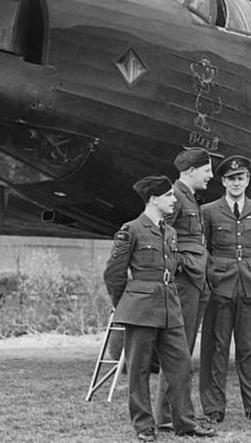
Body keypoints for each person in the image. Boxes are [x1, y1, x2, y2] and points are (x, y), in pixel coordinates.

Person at [103, 176, 215, 440]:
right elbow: (113, 274)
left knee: (181, 365)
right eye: (169, 196)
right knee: (139, 369)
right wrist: (127, 305)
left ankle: (185, 423)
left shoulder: (170, 232)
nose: (174, 200)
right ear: (154, 199)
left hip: (169, 306)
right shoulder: (131, 230)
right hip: (141, 309)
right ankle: (144, 426)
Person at [198, 155, 251, 422]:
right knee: (216, 348)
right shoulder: (209, 211)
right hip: (221, 285)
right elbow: (204, 249)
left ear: (248, 180)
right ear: (223, 182)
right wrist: (212, 276)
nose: (236, 183)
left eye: (240, 178)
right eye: (231, 179)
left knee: (249, 348)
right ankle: (214, 408)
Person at [155, 147, 214, 431]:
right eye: (207, 170)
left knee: (181, 349)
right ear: (190, 171)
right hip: (185, 281)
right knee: (178, 350)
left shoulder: (188, 196)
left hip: (195, 279)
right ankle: (180, 418)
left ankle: (168, 415)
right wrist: (180, 264)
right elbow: (158, 234)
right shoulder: (176, 196)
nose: (211, 176)